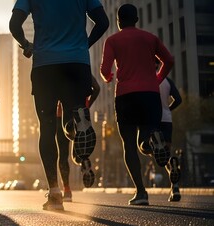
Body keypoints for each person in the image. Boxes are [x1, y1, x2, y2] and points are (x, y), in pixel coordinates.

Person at [10, 0, 109, 211]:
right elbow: (103, 21)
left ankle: (55, 192)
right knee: (72, 115)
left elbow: (14, 24)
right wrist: (84, 44)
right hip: (76, 64)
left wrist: (27, 45)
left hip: (45, 64)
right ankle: (76, 122)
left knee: (46, 128)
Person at [100, 4, 174, 205]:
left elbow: (105, 69)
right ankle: (152, 138)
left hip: (126, 97)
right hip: (150, 94)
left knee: (130, 145)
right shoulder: (151, 38)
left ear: (118, 21)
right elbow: (169, 60)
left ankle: (141, 192)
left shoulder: (112, 40)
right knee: (147, 135)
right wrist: (157, 79)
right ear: (137, 19)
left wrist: (108, 77)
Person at [57, 76, 100, 202]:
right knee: (78, 156)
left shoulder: (59, 65)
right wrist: (88, 105)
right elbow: (97, 88)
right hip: (82, 110)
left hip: (61, 113)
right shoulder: (81, 64)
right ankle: (84, 161)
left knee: (63, 154)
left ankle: (67, 190)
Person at [157, 60, 182, 201]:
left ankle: (170, 166)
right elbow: (178, 99)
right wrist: (168, 110)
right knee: (166, 153)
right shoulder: (167, 81)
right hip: (167, 120)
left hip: (153, 122)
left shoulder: (147, 80)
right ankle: (175, 187)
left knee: (156, 153)